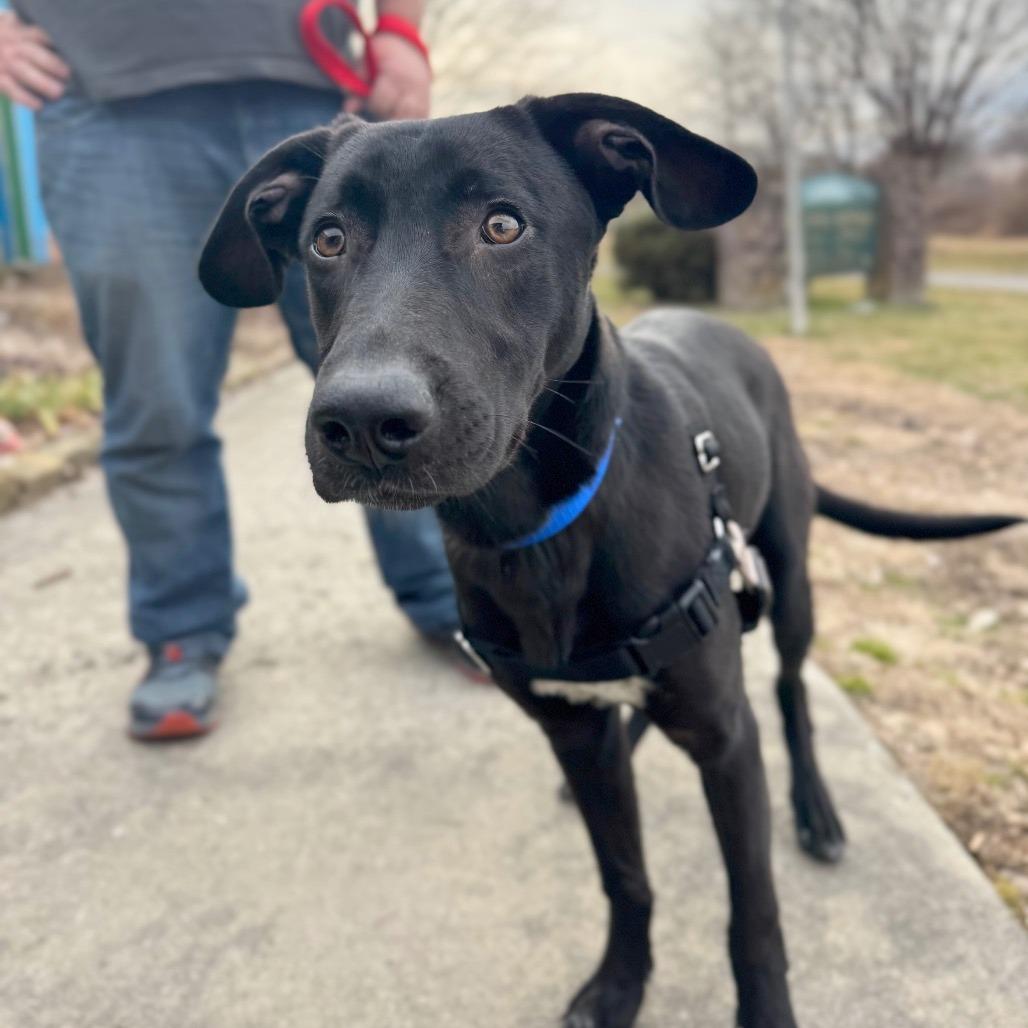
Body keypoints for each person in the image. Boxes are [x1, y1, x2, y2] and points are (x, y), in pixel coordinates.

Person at [0, 0, 460, 739]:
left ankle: (455, 596)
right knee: (156, 405)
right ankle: (182, 629)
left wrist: (401, 33)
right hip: (109, 106)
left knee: (408, 380)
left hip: (315, 86)